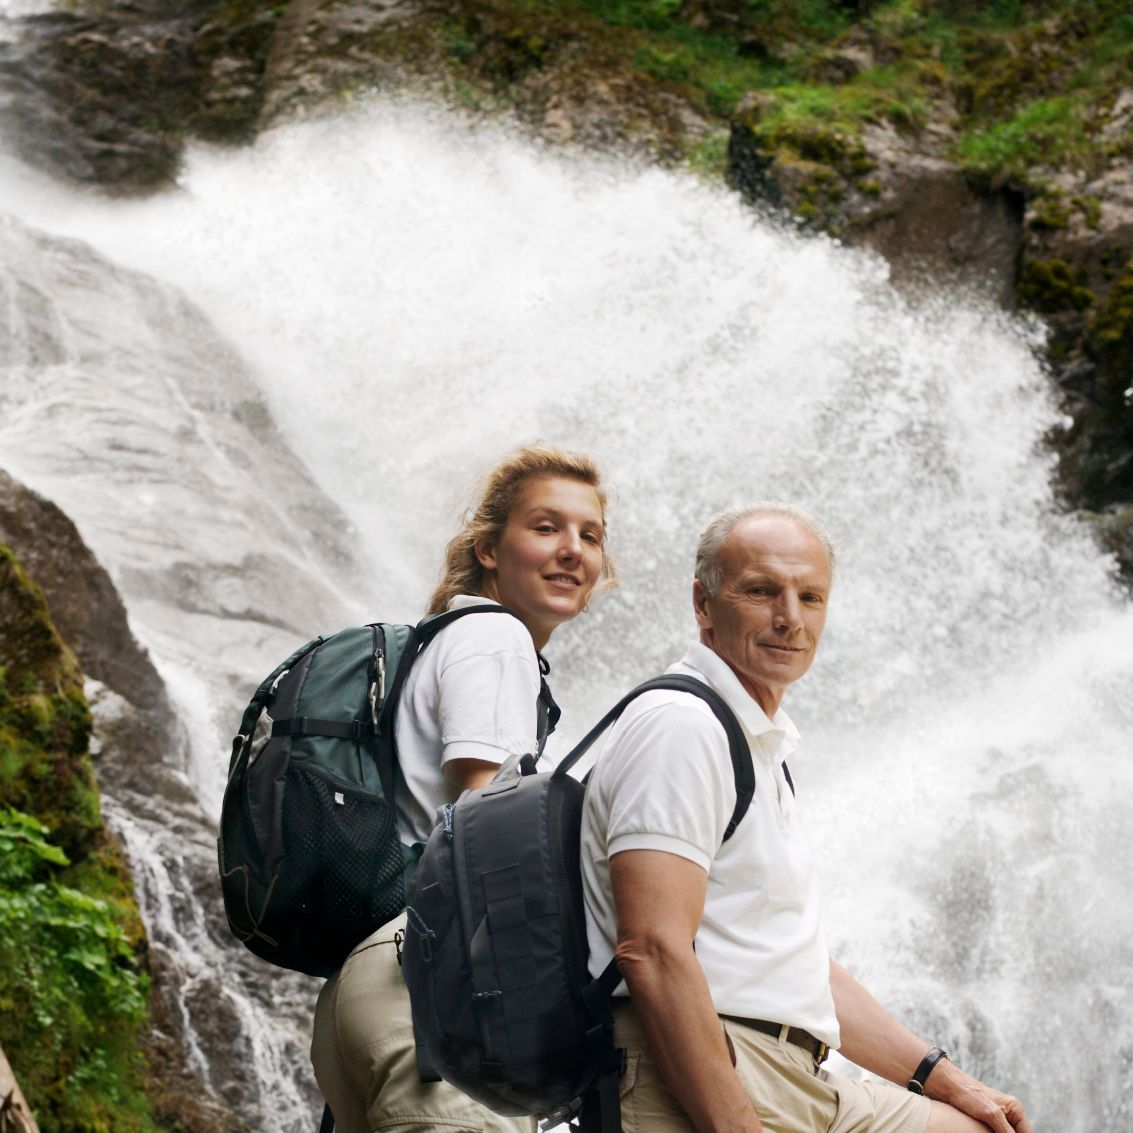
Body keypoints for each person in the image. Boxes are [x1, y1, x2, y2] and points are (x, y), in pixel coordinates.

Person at [579, 503, 1032, 1133]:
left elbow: (795, 966)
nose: (790, 618)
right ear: (703, 603)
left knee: (979, 1127)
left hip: (798, 1075)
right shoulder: (682, 726)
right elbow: (652, 950)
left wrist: (951, 1082)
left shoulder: (756, 742)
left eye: (810, 597)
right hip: (709, 1068)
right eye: (762, 591)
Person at [311, 443, 616, 1133]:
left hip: (376, 981)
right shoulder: (494, 638)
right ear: (488, 548)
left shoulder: (447, 636)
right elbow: (489, 835)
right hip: (431, 988)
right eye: (546, 527)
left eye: (590, 535)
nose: (572, 549)